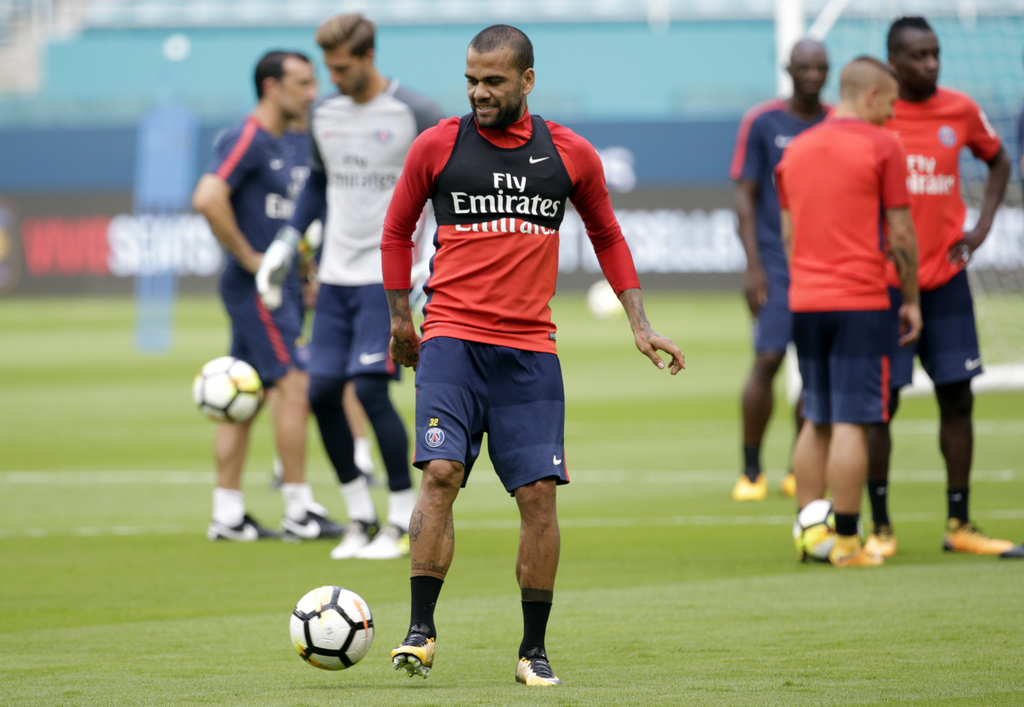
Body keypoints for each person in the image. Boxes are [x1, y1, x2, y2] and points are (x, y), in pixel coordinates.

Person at [380, 25, 684, 685]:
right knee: (439, 475)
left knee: (539, 496)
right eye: (470, 80)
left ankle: (532, 650)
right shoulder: (438, 145)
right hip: (451, 342)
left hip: (528, 352)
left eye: (492, 81)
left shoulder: (568, 153)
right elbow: (397, 228)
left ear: (527, 80)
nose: (479, 93)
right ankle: (419, 630)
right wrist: (402, 318)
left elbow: (607, 232)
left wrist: (640, 323)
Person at [257, 14, 447, 560]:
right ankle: (359, 517)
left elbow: (445, 192)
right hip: (336, 275)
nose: (331, 79)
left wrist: (426, 271)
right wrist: (287, 241)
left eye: (340, 68)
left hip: (386, 278)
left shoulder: (416, 112)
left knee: (367, 389)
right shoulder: (324, 113)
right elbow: (319, 182)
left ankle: (398, 518)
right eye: (327, 69)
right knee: (319, 394)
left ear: (367, 58)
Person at [863, 16, 1013, 557]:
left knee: (958, 398)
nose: (931, 64)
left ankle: (960, 525)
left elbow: (998, 161)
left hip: (946, 281)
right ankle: (880, 528)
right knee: (882, 406)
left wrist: (982, 227)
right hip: (883, 286)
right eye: (918, 56)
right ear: (892, 61)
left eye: (935, 54)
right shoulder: (875, 113)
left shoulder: (961, 109)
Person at [192, 51, 345, 541]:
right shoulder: (248, 137)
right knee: (294, 385)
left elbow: (292, 217)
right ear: (271, 87)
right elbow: (207, 197)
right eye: (302, 83)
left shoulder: (300, 139)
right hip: (260, 291)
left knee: (245, 395)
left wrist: (305, 270)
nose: (312, 91)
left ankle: (227, 514)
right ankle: (299, 509)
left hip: (286, 288)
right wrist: (252, 259)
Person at [777, 56, 922, 567]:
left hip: (806, 300)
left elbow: (790, 235)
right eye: (890, 105)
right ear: (872, 97)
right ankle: (844, 542)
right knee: (851, 422)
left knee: (815, 415)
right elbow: (901, 233)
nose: (891, 116)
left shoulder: (795, 150)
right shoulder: (883, 145)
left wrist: (806, 284)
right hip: (860, 300)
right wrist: (911, 301)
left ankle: (809, 536)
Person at [729, 39, 829, 502]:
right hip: (775, 263)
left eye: (820, 67)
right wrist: (754, 267)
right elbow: (744, 196)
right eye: (804, 66)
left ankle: (798, 467)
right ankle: (751, 470)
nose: (812, 74)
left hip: (825, 266)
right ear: (789, 69)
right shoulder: (763, 121)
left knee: (817, 370)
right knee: (768, 359)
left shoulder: (837, 122)